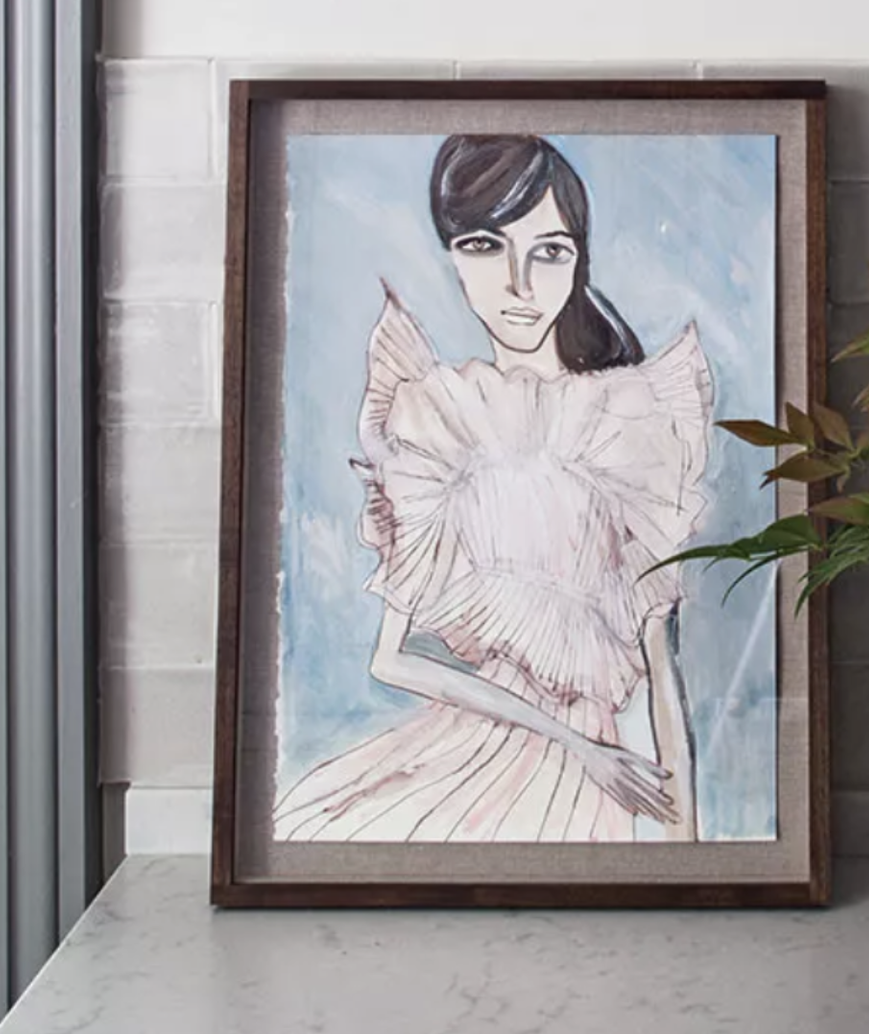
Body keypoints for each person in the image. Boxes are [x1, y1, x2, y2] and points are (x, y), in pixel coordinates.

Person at [274, 133, 712, 845]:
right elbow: (392, 657)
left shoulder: (629, 420)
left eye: (549, 251)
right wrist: (576, 746)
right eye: (484, 246)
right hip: (485, 758)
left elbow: (663, 679)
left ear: (578, 262)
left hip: (591, 784)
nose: (519, 283)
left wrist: (690, 858)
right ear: (453, 257)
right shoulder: (439, 417)